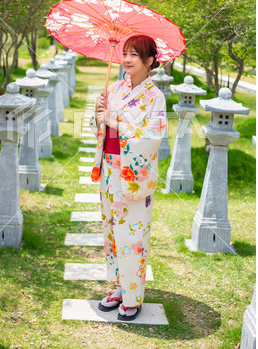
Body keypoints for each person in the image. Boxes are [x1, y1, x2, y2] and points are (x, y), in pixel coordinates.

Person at [90, 34, 167, 321]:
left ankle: (133, 296)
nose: (127, 59)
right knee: (111, 231)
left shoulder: (155, 97)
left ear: (149, 62)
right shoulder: (115, 88)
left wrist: (115, 121)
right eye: (125, 53)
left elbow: (152, 136)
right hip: (109, 168)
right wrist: (99, 114)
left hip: (133, 172)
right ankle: (119, 287)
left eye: (135, 54)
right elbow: (100, 127)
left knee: (132, 235)